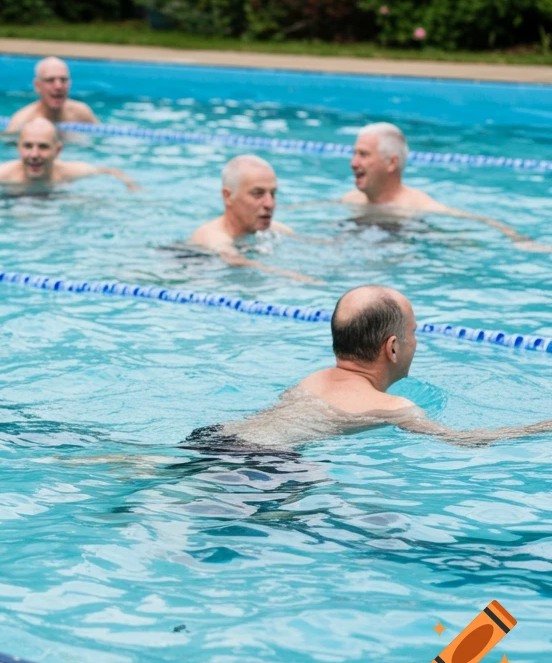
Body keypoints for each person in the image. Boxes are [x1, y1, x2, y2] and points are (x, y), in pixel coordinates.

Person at [194, 286, 552, 449]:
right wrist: (541, 427)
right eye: (413, 334)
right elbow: (466, 441)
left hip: (214, 437)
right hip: (267, 462)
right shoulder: (393, 406)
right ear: (392, 348)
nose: (416, 343)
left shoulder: (311, 381)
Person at [342, 122, 548, 251]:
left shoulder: (418, 206)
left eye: (363, 154)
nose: (353, 163)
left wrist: (519, 239)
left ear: (392, 163)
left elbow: (480, 222)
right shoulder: (351, 200)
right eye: (354, 153)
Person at [189, 155, 318, 284]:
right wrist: (295, 277)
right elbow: (237, 261)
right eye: (258, 193)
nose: (270, 204)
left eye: (272, 193)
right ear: (227, 196)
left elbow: (312, 245)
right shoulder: (211, 238)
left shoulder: (276, 229)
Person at [0, 118, 141, 195]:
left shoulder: (72, 171)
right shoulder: (0, 174)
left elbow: (109, 171)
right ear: (18, 148)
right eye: (28, 146)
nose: (34, 155)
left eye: (42, 147)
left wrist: (131, 185)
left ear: (57, 150)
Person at [5, 57, 99, 133]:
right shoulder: (22, 121)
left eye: (63, 80)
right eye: (50, 80)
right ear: (37, 86)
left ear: (70, 84)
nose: (58, 86)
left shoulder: (82, 113)